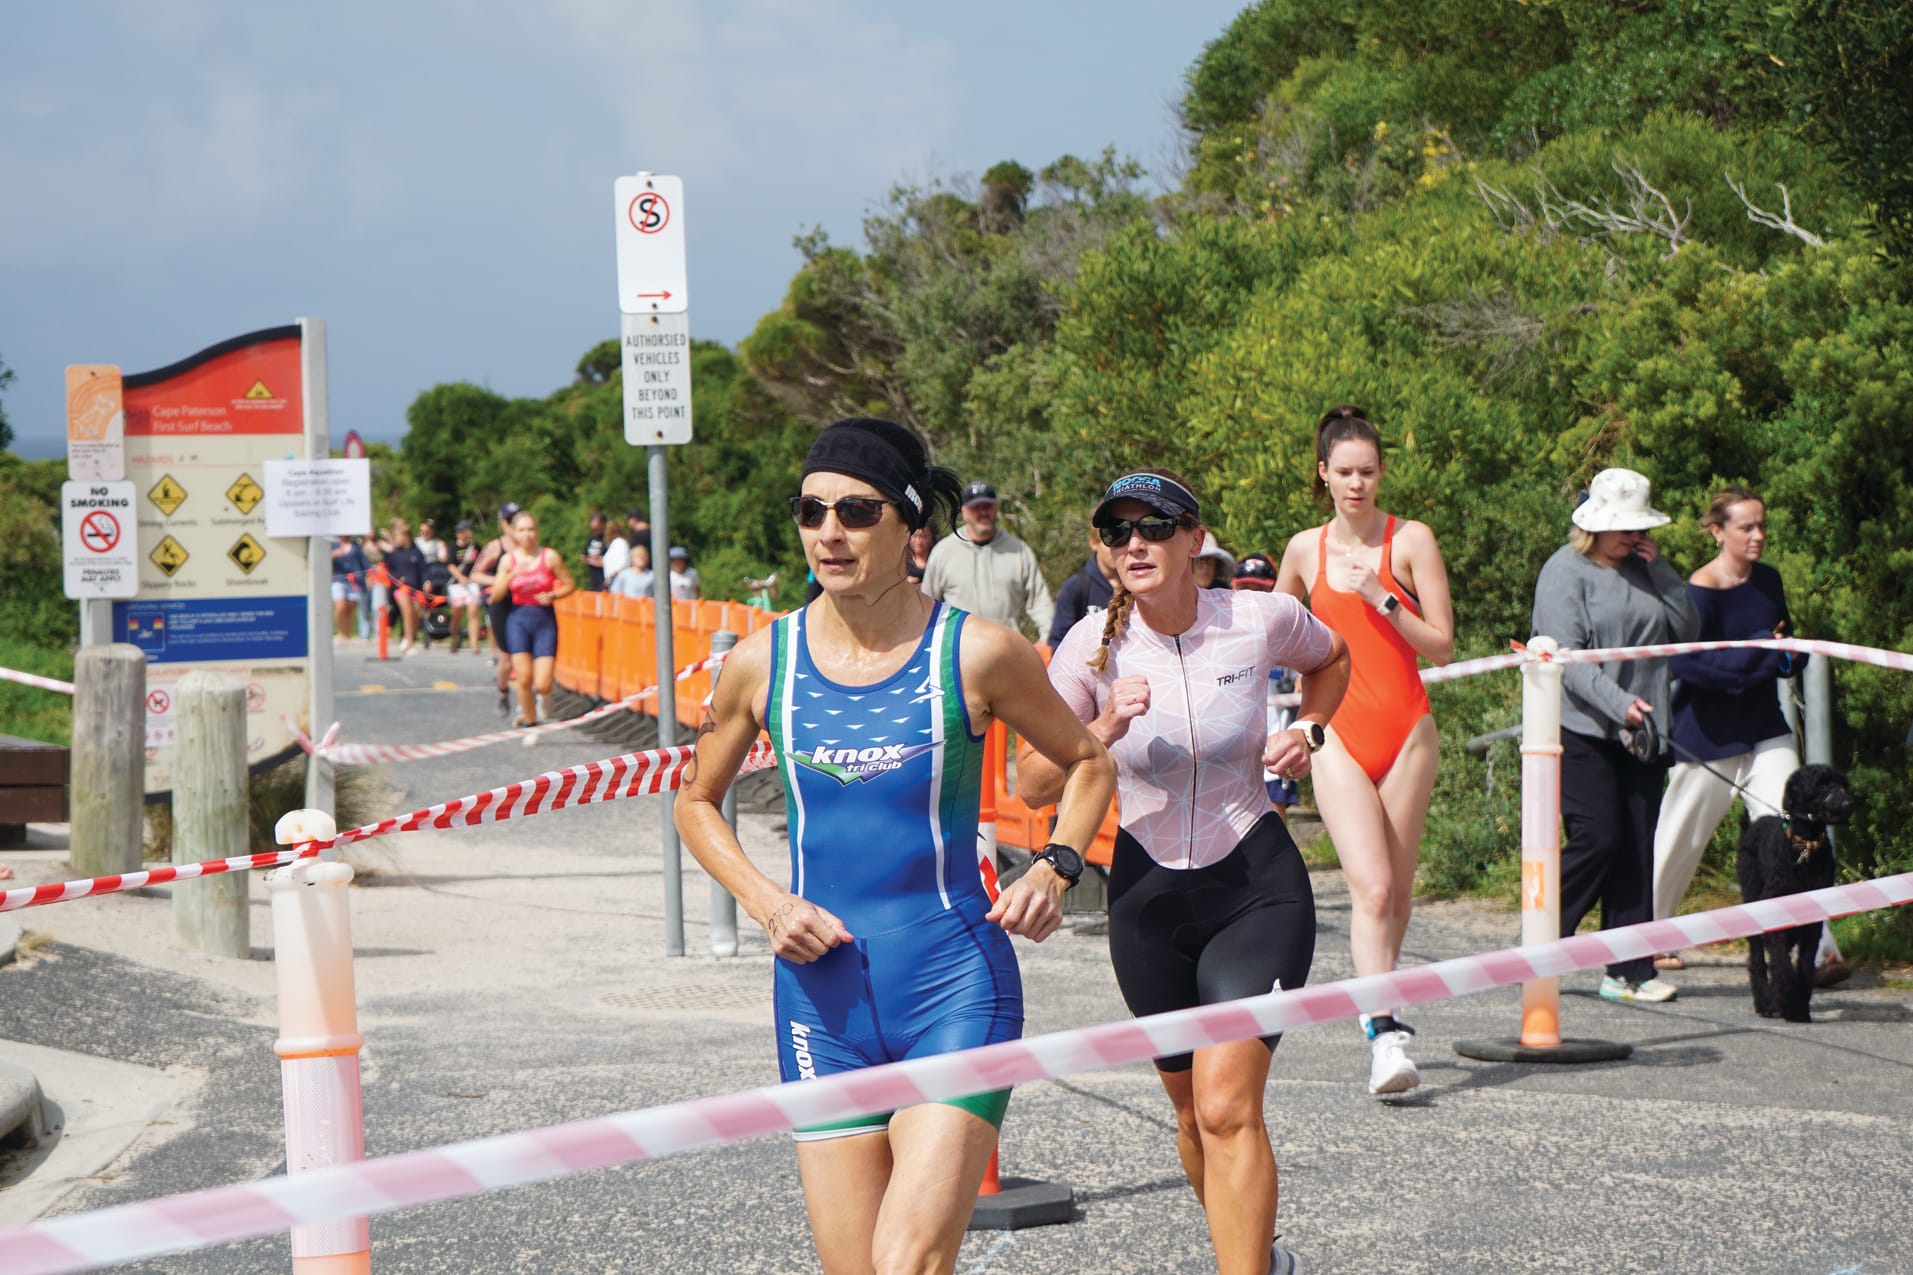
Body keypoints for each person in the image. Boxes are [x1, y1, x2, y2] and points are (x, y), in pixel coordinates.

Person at [674, 417, 1116, 1275]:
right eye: (811, 510)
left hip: (954, 986)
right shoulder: (763, 663)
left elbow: (1088, 762)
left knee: (906, 1260)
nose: (828, 532)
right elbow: (696, 800)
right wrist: (768, 903)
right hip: (820, 1004)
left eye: (855, 510)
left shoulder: (978, 651)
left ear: (911, 529)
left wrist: (1057, 866)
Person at [1019, 468, 1348, 1275]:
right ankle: (1256, 1257)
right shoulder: (1087, 645)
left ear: (1194, 539)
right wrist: (1099, 723)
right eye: (1117, 530)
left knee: (1229, 1105)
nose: (1135, 542)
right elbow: (1030, 779)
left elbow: (1332, 659)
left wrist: (1307, 730)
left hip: (1254, 883)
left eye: (1155, 525)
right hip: (1149, 897)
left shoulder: (1256, 616)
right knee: (1193, 1115)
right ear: (1102, 551)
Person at [1275, 406, 1455, 1096]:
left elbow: (1440, 643)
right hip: (1335, 731)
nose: (1357, 484)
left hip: (1407, 728)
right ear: (1323, 474)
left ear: (1381, 472)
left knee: (1397, 892)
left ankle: (1379, 1002)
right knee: (1371, 887)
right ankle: (1384, 1033)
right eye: (1344, 472)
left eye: (1368, 472)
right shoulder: (1302, 548)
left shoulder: (1410, 539)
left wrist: (1383, 597)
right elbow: (1272, 626)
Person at [1651, 486, 1846, 981]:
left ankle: (1820, 949)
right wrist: (1760, 652)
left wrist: (1777, 655)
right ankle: (1644, 941)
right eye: (1746, 527)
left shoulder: (1769, 581)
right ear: (1718, 532)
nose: (1758, 536)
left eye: (1762, 525)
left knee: (1798, 832)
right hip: (1707, 734)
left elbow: (1791, 649)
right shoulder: (1697, 590)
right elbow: (1694, 669)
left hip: (1764, 726)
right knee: (1678, 840)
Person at [1532, 467, 1699, 1003]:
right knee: (1599, 836)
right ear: (1595, 524)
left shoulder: (1649, 569)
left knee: (1636, 847)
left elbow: (1688, 632)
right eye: (1623, 526)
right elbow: (1567, 656)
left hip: (1646, 731)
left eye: (1639, 526)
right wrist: (1620, 703)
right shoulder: (1564, 571)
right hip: (1583, 727)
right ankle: (1540, 939)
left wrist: (1668, 576)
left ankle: (1630, 970)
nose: (1634, 535)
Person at [920, 481, 1055, 637]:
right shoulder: (943, 552)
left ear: (996, 509)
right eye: (976, 508)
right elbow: (927, 606)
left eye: (987, 506)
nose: (982, 512)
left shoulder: (1019, 551)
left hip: (1007, 649)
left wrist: (1049, 638)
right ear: (964, 512)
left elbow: (1039, 600)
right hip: (958, 653)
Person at [489, 510, 576, 726]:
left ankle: (545, 696)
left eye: (531, 529)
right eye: (522, 530)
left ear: (537, 532)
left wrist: (553, 595)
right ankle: (530, 722)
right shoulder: (508, 560)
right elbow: (495, 596)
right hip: (518, 619)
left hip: (544, 620)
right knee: (524, 678)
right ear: (514, 533)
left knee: (543, 682)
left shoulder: (550, 556)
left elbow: (570, 584)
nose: (527, 534)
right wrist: (512, 574)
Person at [1233, 554, 1298, 815]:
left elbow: (1310, 671)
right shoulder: (1216, 630)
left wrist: (1306, 680)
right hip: (1229, 750)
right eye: (1246, 587)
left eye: (1261, 589)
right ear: (1232, 586)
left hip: (1274, 747)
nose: (1253, 595)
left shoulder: (1290, 631)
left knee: (1273, 815)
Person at [471, 502, 522, 713]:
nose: (514, 525)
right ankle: (503, 691)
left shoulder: (530, 546)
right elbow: (475, 574)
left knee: (526, 655)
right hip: (502, 603)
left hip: (524, 604)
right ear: (503, 523)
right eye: (510, 521)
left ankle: (525, 704)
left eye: (517, 519)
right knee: (508, 658)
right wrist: (499, 581)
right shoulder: (495, 547)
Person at [1046, 527, 1120, 649]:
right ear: (1094, 542)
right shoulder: (1076, 587)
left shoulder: (1137, 586)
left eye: (1120, 542)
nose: (1114, 549)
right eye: (1109, 541)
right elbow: (1058, 642)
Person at [382, 520, 428, 656]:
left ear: (406, 536)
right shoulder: (394, 554)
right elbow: (389, 571)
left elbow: (424, 569)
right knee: (407, 612)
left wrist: (427, 581)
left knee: (415, 614)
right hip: (400, 589)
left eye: (398, 536)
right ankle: (410, 643)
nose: (396, 539)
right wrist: (397, 578)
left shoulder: (417, 552)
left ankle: (406, 638)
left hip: (415, 589)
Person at [445, 520, 485, 654]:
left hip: (472, 583)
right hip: (457, 584)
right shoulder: (453, 548)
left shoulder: (476, 547)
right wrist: (460, 577)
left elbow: (481, 562)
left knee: (473, 611)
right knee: (457, 612)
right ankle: (454, 637)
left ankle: (474, 643)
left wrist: (476, 576)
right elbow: (450, 565)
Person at [329, 536, 366, 642]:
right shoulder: (333, 545)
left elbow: (362, 562)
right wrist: (334, 554)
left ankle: (348, 634)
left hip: (354, 580)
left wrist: (366, 578)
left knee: (350, 608)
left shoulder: (356, 546)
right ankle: (340, 632)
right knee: (340, 606)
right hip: (338, 579)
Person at [581, 511, 608, 592]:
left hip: (604, 579)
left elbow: (606, 559)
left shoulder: (607, 538)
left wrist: (599, 560)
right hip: (593, 579)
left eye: (595, 521)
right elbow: (583, 556)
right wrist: (594, 560)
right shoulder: (592, 537)